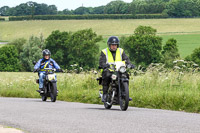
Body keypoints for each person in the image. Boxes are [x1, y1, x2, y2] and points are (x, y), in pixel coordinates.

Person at [99, 36, 134, 102]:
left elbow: (126, 59)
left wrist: (129, 64)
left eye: (115, 45)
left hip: (119, 70)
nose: (114, 46)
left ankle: (125, 94)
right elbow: (101, 62)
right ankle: (105, 94)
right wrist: (104, 65)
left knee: (126, 75)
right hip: (109, 70)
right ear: (109, 45)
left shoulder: (121, 51)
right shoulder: (104, 52)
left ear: (117, 45)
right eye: (112, 45)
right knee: (106, 76)